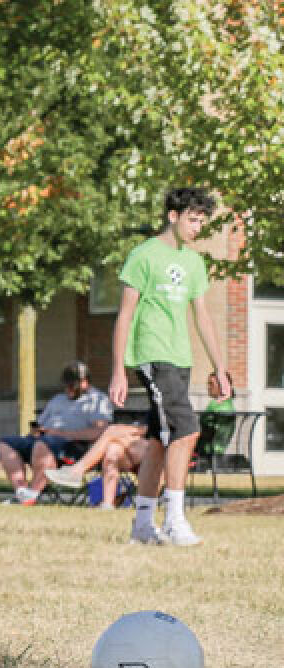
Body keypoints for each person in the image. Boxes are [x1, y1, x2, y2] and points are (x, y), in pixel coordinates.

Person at [110, 187, 229, 547]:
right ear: (173, 216)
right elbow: (125, 314)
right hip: (153, 355)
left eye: (202, 222)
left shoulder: (194, 262)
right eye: (193, 219)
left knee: (160, 442)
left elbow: (203, 317)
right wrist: (118, 369)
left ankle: (143, 525)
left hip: (181, 359)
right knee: (187, 429)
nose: (197, 227)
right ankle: (175, 519)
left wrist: (219, 367)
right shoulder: (143, 256)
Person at [0, 362, 113, 505]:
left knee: (43, 444)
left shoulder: (97, 400)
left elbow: (99, 432)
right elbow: (41, 423)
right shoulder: (58, 399)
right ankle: (21, 492)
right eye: (66, 385)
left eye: (72, 385)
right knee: (7, 443)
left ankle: (32, 494)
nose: (68, 389)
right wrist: (37, 430)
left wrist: (61, 433)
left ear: (85, 382)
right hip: (44, 440)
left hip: (74, 447)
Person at [44, 422, 148, 508]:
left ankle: (76, 471)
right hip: (142, 445)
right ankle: (107, 504)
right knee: (113, 447)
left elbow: (156, 428)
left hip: (156, 451)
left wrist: (135, 429)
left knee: (113, 431)